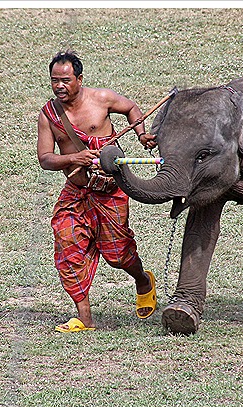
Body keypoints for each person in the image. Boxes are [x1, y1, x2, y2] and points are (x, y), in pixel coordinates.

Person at [37, 50, 158, 332]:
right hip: (76, 191)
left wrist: (141, 135)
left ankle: (143, 281)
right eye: (54, 81)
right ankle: (85, 318)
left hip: (110, 192)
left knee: (118, 255)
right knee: (68, 246)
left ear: (79, 79)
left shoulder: (102, 99)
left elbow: (131, 108)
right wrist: (72, 159)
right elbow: (45, 158)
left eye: (65, 80)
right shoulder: (49, 115)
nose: (59, 86)